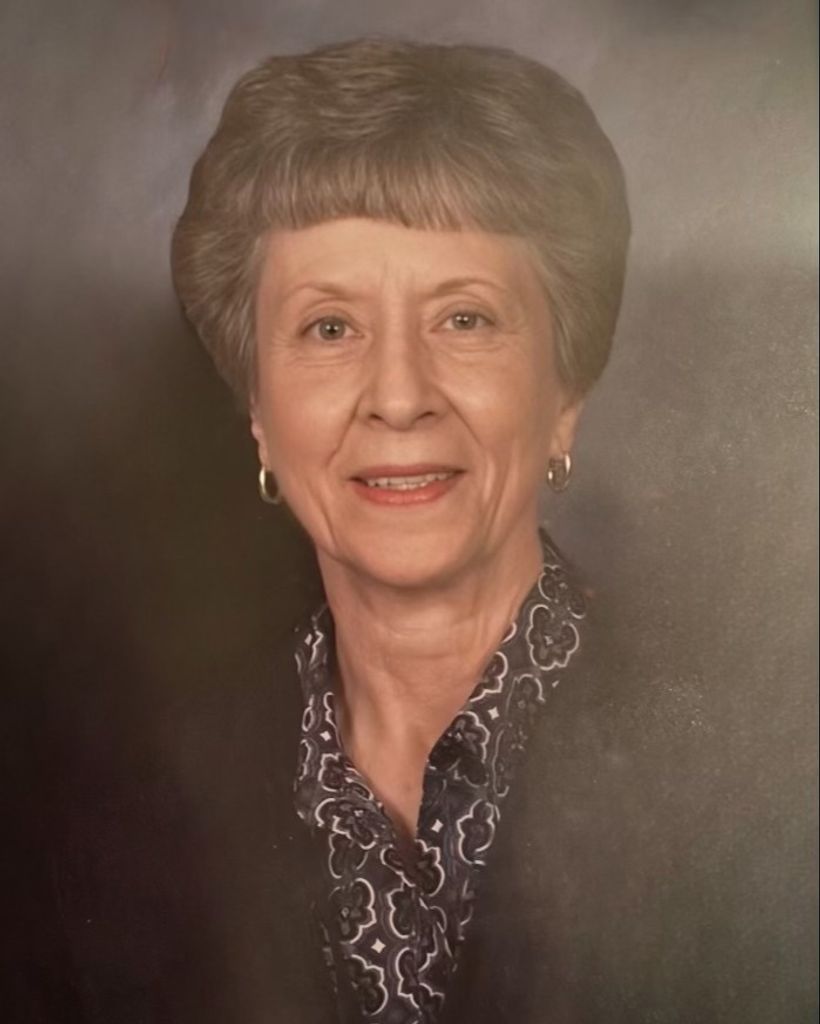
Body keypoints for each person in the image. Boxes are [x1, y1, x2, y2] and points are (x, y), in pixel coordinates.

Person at [168, 38, 630, 1023]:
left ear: (564, 394)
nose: (398, 396)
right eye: (329, 328)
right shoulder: (150, 803)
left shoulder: (755, 770)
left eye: (464, 319)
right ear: (258, 410)